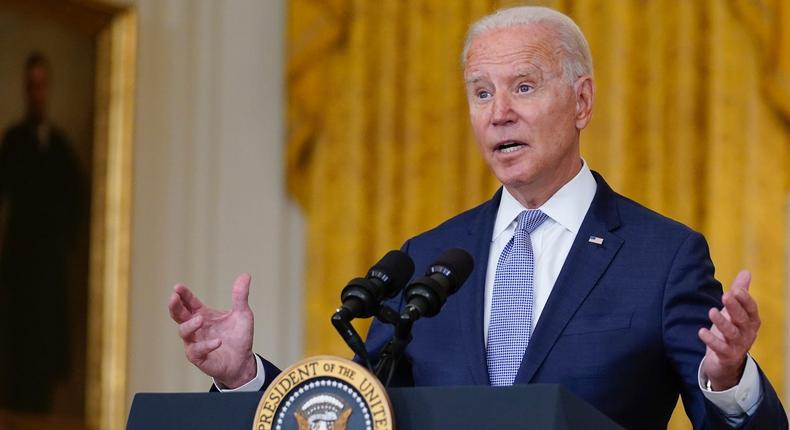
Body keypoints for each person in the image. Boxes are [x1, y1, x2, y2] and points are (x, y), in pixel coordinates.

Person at [168, 6, 787, 429]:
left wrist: (728, 377)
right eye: (481, 92)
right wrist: (245, 376)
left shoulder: (663, 257)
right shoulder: (431, 257)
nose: (499, 114)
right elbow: (357, 409)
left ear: (581, 100)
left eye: (523, 86)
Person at [0, 52, 88, 412]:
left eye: (41, 85)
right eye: (31, 86)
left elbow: (80, 199)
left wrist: (62, 238)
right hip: (19, 267)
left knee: (44, 362)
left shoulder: (61, 147)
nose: (37, 93)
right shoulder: (14, 141)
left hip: (49, 271)